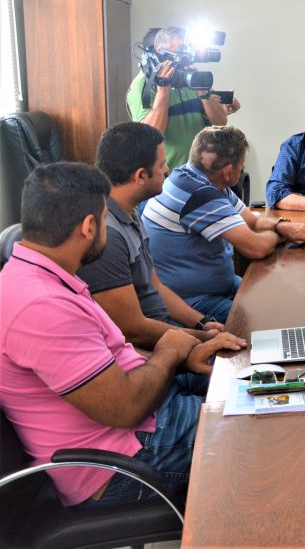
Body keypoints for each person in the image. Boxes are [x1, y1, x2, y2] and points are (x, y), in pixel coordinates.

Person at [0, 162, 246, 507]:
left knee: (256, 384)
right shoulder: (41, 305)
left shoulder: (42, 275)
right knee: (259, 428)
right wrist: (169, 352)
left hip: (137, 428)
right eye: (103, 219)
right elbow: (125, 408)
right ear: (88, 226)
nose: (107, 227)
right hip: (119, 463)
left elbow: (111, 360)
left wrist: (183, 355)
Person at [142, 126, 305, 322]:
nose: (243, 169)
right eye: (242, 165)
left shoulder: (196, 178)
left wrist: (280, 225)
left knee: (281, 298)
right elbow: (256, 248)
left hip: (218, 286)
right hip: (189, 301)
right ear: (227, 172)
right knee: (268, 317)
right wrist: (280, 235)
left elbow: (252, 221)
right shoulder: (199, 194)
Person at [79, 122, 227, 349]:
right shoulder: (107, 236)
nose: (167, 169)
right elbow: (133, 330)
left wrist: (201, 323)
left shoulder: (130, 212)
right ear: (140, 176)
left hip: (169, 332)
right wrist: (202, 340)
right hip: (153, 352)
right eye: (161, 164)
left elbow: (155, 285)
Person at [127, 26, 241, 170]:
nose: (187, 58)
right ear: (161, 51)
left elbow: (220, 122)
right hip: (168, 177)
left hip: (202, 173)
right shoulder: (142, 86)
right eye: (181, 50)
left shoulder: (190, 77)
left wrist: (203, 92)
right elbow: (150, 136)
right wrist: (163, 89)